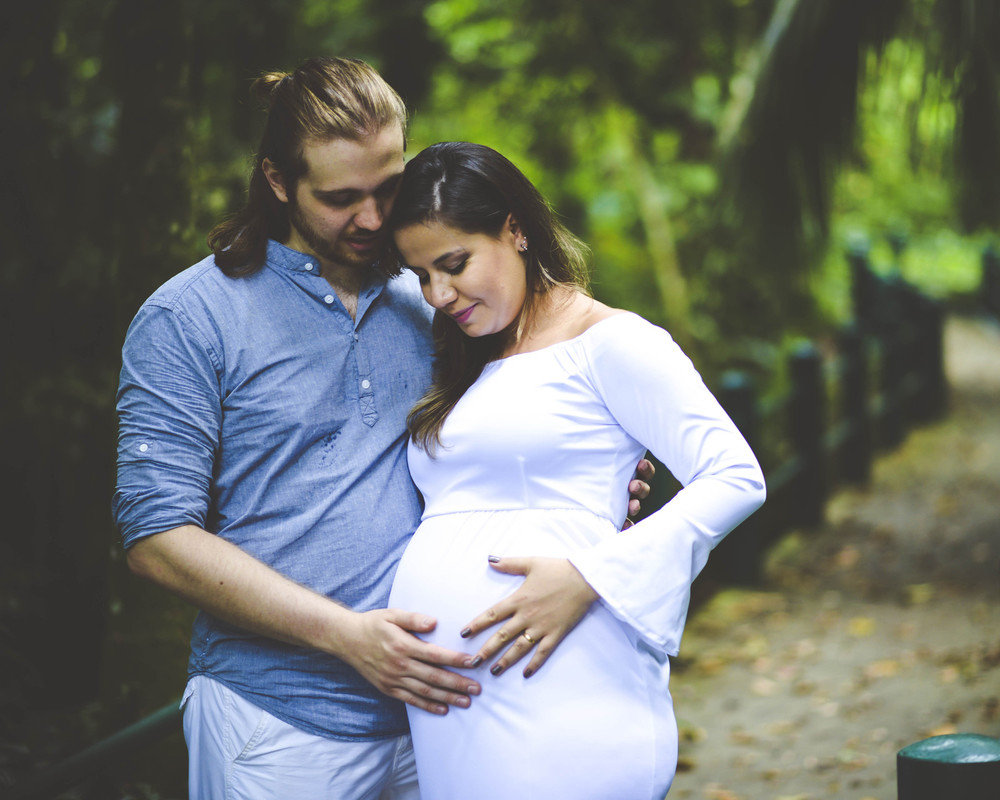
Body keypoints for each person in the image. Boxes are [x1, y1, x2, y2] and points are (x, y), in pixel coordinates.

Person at [111, 58, 653, 800]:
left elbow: (510, 442)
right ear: (277, 181)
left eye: (387, 189)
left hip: (450, 720)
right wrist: (346, 636)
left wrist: (594, 485)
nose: (371, 220)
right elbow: (156, 542)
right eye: (340, 198)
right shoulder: (189, 318)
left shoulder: (436, 299)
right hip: (278, 728)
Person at [387, 141, 767, 799]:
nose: (438, 294)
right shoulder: (465, 355)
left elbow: (735, 476)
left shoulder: (612, 343)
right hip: (458, 715)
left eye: (453, 264)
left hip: (563, 693)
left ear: (515, 229)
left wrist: (591, 574)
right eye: (421, 275)